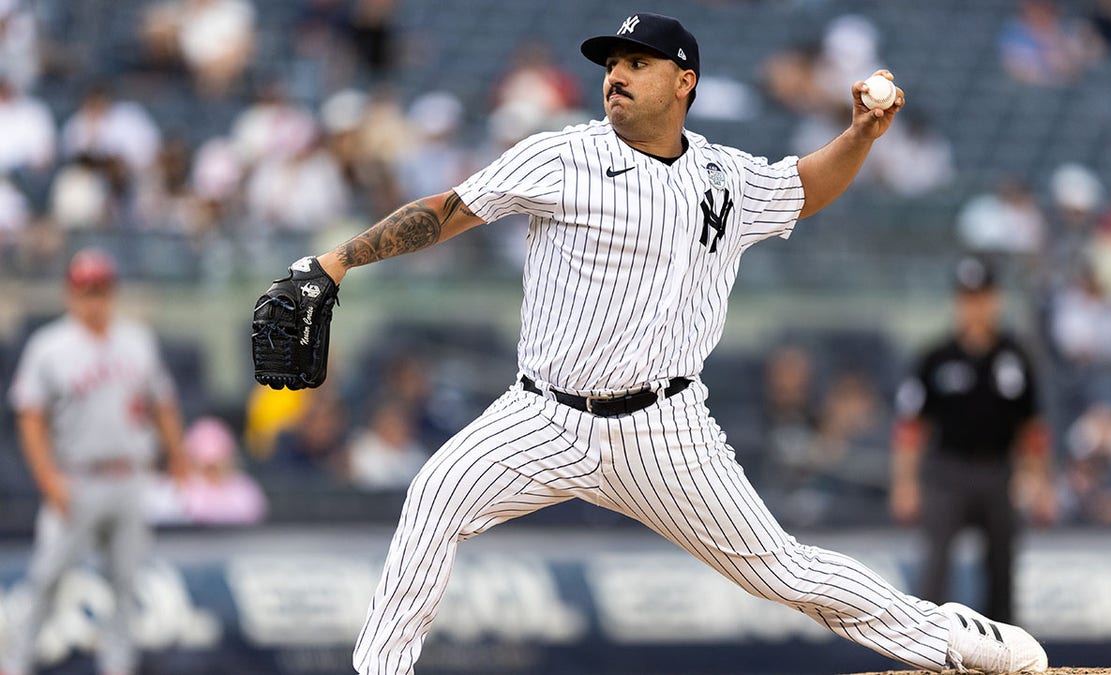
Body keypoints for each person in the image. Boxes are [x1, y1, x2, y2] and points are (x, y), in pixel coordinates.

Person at [278, 13, 1047, 674]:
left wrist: (859, 135)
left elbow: (807, 187)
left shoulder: (723, 176)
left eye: (636, 64)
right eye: (611, 65)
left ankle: (946, 635)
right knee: (435, 495)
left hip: (666, 429)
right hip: (542, 414)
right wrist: (336, 261)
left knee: (783, 569)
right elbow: (446, 211)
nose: (615, 76)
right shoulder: (563, 156)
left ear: (685, 81)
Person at [3, 248, 189, 675]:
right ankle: (15, 665)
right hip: (77, 478)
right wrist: (47, 477)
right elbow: (29, 417)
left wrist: (177, 454)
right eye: (86, 290)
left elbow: (162, 403)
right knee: (47, 578)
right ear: (71, 293)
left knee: (125, 585)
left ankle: (117, 667)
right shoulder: (49, 345)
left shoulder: (137, 340)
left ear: (113, 291)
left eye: (101, 289)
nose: (94, 298)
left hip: (130, 477)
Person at [891, 255, 1057, 625]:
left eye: (981, 297)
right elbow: (910, 428)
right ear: (957, 302)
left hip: (999, 472)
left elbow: (1031, 428)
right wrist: (905, 483)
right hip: (947, 474)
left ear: (995, 300)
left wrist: (1041, 482)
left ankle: (1004, 654)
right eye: (967, 297)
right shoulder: (935, 358)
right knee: (934, 569)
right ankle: (927, 649)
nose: (975, 306)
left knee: (1002, 569)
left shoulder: (1015, 357)